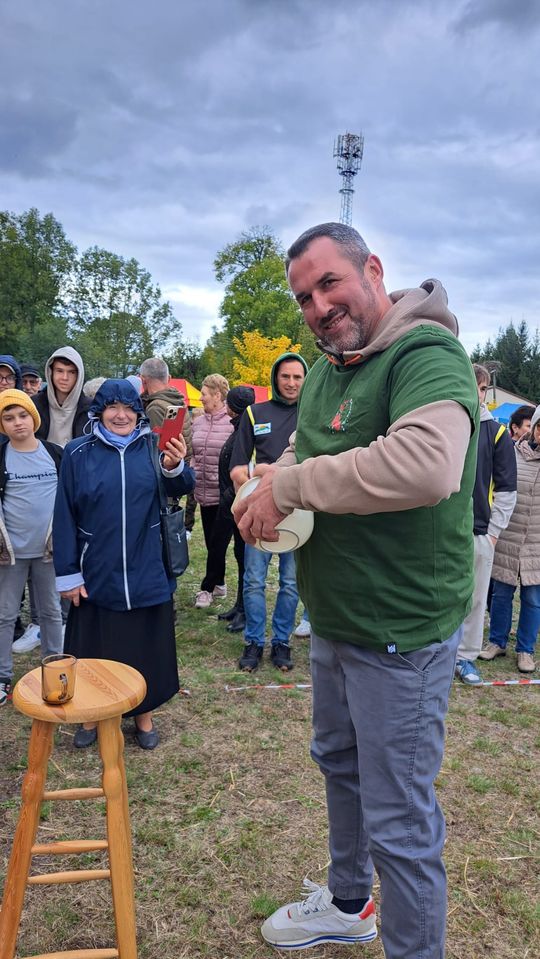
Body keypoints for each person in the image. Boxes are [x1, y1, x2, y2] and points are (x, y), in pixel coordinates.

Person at [234, 223, 479, 956]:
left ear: (372, 267)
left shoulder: (427, 352)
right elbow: (306, 456)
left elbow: (429, 463)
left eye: (329, 283)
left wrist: (294, 481)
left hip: (400, 633)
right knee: (338, 763)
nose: (317, 305)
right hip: (335, 619)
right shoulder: (331, 365)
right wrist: (264, 487)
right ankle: (348, 903)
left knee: (400, 821)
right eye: (304, 296)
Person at [53, 379, 195, 749]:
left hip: (147, 565)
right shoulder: (77, 452)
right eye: (112, 407)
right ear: (100, 411)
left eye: (128, 407)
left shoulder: (153, 446)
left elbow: (184, 485)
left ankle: (143, 718)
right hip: (97, 568)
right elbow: (64, 514)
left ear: (138, 411)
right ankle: (93, 716)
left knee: (144, 646)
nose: (121, 415)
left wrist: (174, 465)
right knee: (96, 647)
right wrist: (68, 573)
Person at [230, 353, 307, 672]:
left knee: (291, 582)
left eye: (298, 377)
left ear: (306, 380)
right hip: (260, 510)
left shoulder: (313, 414)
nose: (291, 383)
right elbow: (237, 467)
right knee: (253, 581)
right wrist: (253, 494)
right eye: (285, 376)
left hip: (300, 513)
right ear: (275, 377)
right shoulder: (254, 412)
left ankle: (281, 642)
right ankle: (253, 642)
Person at [0, 390, 63, 707]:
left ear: (33, 418)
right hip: (10, 554)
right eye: (8, 418)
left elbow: (67, 501)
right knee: (5, 614)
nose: (17, 423)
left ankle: (54, 668)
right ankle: (2, 677)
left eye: (22, 415)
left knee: (51, 611)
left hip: (48, 552)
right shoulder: (2, 457)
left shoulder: (53, 454)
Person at [454, 364, 516, 684]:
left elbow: (507, 489)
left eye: (482, 388)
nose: (477, 393)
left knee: (476, 597)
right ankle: (438, 653)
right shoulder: (449, 425)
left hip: (480, 532)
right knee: (442, 595)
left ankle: (465, 657)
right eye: (472, 385)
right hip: (445, 531)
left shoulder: (498, 433)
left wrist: (493, 533)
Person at [479, 403, 540, 674]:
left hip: (537, 541)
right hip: (509, 534)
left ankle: (525, 650)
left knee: (533, 599)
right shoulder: (513, 453)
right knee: (502, 593)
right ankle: (497, 641)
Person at [213, 386, 255, 634]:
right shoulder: (239, 427)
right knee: (240, 558)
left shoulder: (244, 430)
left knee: (245, 560)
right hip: (232, 503)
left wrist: (228, 498)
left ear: (232, 406)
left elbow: (243, 468)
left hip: (238, 503)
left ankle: (245, 610)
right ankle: (240, 605)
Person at [191, 374, 233, 608]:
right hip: (202, 492)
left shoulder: (231, 422)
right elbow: (194, 455)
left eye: (204, 394)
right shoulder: (198, 422)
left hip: (223, 494)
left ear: (217, 395)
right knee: (210, 542)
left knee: (218, 543)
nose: (201, 397)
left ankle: (206, 588)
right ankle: (220, 583)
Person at [34, 347, 91, 446]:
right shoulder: (34, 405)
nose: (65, 378)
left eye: (71, 372)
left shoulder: (91, 409)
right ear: (50, 373)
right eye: (59, 371)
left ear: (79, 375)